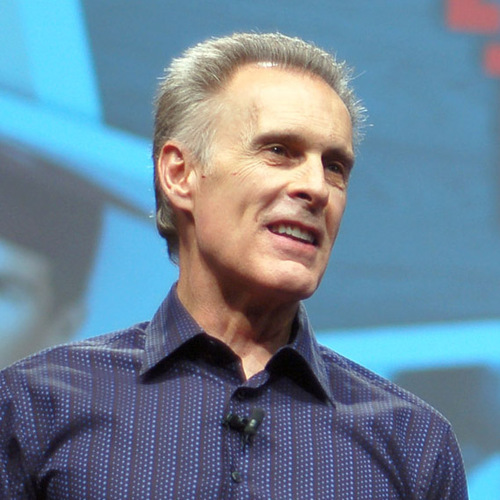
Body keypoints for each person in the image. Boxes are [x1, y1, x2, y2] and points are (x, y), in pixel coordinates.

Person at [0, 32, 468, 498]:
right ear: (180, 174)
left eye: (334, 167)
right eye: (278, 151)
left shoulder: (415, 445)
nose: (316, 188)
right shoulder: (35, 407)